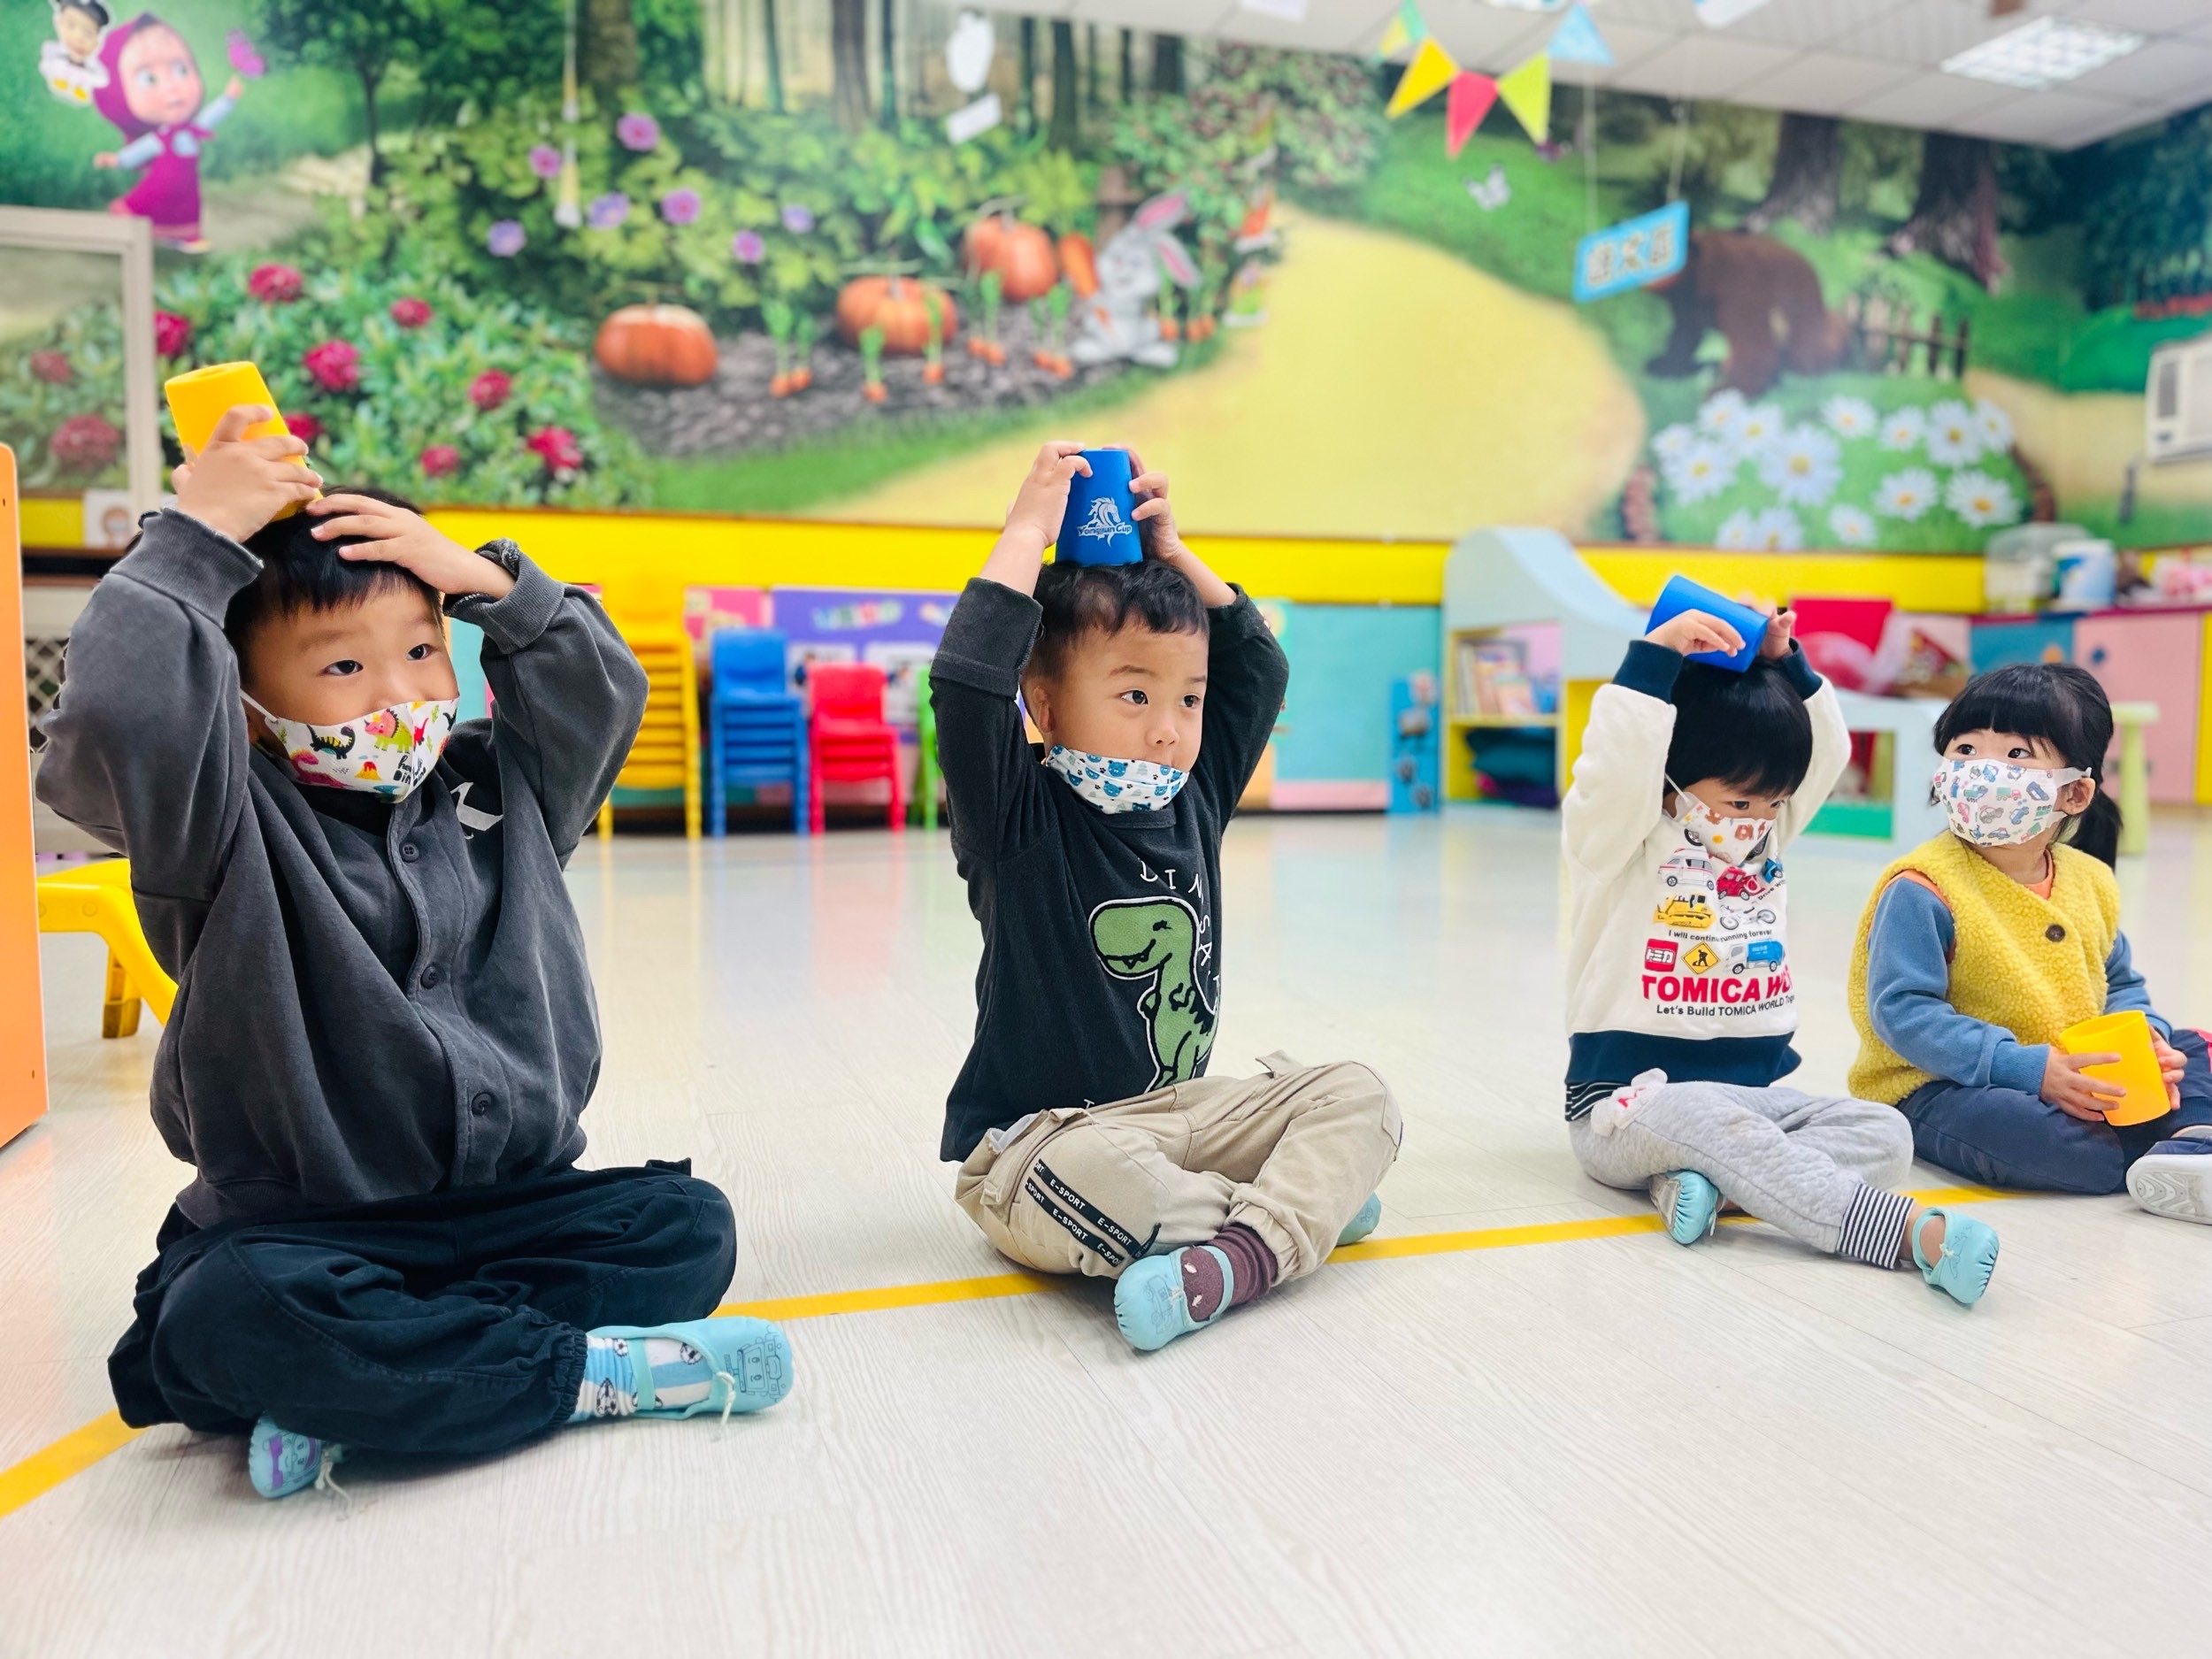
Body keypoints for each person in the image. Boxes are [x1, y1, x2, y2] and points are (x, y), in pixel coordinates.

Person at [36, 407, 790, 1502]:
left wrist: (485, 582)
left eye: (424, 651)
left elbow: (599, 692)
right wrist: (193, 543)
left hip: (516, 1206)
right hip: (303, 1233)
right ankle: (575, 1376)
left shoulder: (505, 785)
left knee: (684, 1226)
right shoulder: (217, 824)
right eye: (344, 665)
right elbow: (120, 727)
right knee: (227, 1313)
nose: (398, 695)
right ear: (245, 711)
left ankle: (372, 1385)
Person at [931, 442, 1402, 1353]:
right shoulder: (1016, 818)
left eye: (1187, 700)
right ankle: (1290, 1213)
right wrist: (1027, 532)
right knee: (1102, 1168)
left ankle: (1238, 1250)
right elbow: (965, 685)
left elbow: (1258, 671)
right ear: (1043, 704)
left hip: (1181, 1118)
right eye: (1134, 694)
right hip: (1040, 1145)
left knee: (1360, 1096)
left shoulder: (1194, 796)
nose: (1167, 729)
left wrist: (1173, 552)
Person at [1561, 603, 2000, 1305]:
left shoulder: (1762, 838)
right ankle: (1904, 1232)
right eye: (1740, 802)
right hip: (1625, 1106)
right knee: (1703, 1116)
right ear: (1669, 780)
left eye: (1774, 803)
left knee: (1886, 1131)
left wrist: (1789, 663)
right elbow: (1614, 770)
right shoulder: (1622, 841)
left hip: (1754, 1104)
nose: (1759, 820)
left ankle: (1708, 1186)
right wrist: (1656, 656)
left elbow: (1825, 753)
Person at [1847, 663, 2212, 1220]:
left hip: (2073, 1066)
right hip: (1943, 1082)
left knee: (2191, 1050)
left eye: (2016, 754)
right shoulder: (1922, 887)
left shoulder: (2089, 879)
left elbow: (2119, 982)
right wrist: (2030, 1070)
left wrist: (2147, 1040)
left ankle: (2188, 1142)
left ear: (2075, 793)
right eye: (1965, 749)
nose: (1981, 770)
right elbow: (1903, 1014)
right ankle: (2158, 1142)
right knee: (2048, 1141)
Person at [90, 13, 237, 250]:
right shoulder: (160, 138)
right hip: (160, 186)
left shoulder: (193, 129)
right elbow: (140, 151)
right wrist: (117, 160)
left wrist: (228, 99)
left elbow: (210, 117)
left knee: (187, 209)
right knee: (147, 203)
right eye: (149, 78)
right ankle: (134, 231)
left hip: (187, 187)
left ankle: (185, 235)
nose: (172, 87)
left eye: (181, 70)